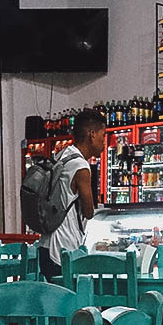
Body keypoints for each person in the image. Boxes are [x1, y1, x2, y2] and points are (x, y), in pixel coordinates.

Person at [39, 109, 101, 280]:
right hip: (62, 250)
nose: (104, 143)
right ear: (92, 134)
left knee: (53, 304)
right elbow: (89, 211)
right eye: (103, 136)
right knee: (68, 303)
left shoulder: (62, 156)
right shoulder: (81, 166)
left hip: (46, 244)